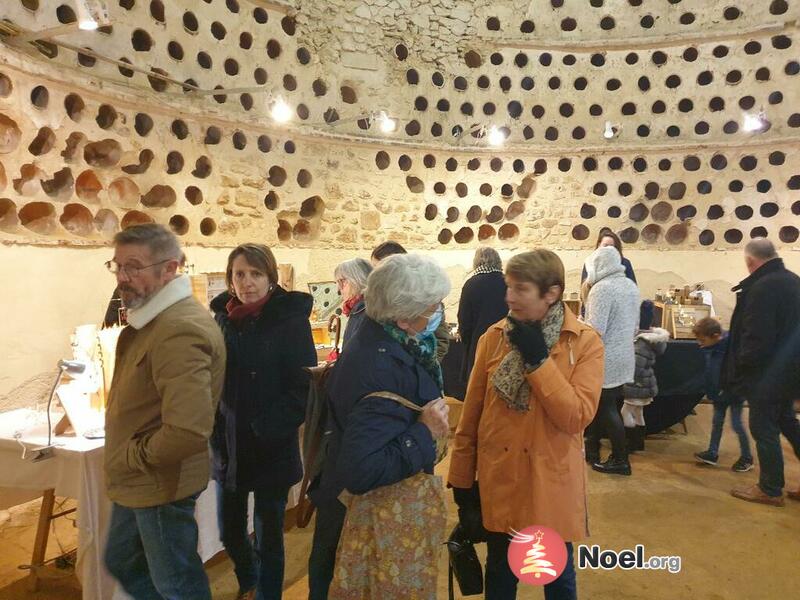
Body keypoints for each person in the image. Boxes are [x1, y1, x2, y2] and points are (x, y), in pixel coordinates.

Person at [448, 249, 603, 600]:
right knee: (500, 575)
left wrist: (537, 361)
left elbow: (576, 415)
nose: (509, 297)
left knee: (557, 577)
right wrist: (461, 480)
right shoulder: (494, 337)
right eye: (508, 287)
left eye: (520, 289)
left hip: (550, 480)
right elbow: (471, 414)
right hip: (501, 477)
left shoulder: (583, 342)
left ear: (551, 293)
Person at [308, 253, 451, 600]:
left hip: (348, 506)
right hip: (367, 516)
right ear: (403, 318)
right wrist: (424, 431)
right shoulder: (382, 366)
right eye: (432, 309)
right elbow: (362, 469)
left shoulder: (378, 338)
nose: (436, 315)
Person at [103, 224, 225, 600]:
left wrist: (130, 456)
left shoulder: (178, 329)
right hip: (140, 479)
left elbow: (188, 430)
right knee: (123, 559)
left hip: (159, 481)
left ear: (170, 269)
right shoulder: (154, 320)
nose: (123, 278)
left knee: (177, 584)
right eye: (118, 266)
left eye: (134, 267)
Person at [210, 243, 316, 600]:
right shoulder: (223, 318)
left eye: (256, 274)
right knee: (230, 531)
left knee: (269, 535)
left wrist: (264, 427)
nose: (247, 282)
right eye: (240, 274)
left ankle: (267, 593)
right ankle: (249, 578)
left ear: (271, 278)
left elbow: (303, 388)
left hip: (270, 444)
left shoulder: (289, 319)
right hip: (229, 444)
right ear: (230, 278)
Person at [723, 239, 800, 506]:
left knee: (763, 427)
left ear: (750, 261)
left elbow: (756, 337)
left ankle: (770, 488)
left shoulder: (762, 287)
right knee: (788, 423)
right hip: (791, 371)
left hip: (767, 375)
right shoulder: (793, 281)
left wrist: (742, 370)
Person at [583, 246, 640, 476]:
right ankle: (594, 451)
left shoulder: (602, 289)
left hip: (605, 356)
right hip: (625, 355)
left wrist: (580, 324)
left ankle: (620, 459)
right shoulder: (630, 286)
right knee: (606, 406)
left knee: (605, 407)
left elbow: (595, 329)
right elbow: (634, 325)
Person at [369, 240, 450, 361]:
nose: (377, 276)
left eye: (383, 270)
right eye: (374, 270)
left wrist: (427, 367)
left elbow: (441, 341)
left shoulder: (427, 302)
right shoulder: (376, 305)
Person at [692, 317, 753, 472]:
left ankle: (747, 457)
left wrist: (734, 388)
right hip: (718, 392)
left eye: (702, 340)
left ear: (715, 336)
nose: (700, 343)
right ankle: (712, 453)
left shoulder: (731, 348)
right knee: (717, 422)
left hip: (733, 392)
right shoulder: (711, 348)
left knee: (737, 424)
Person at [621, 301, 669, 453]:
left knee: (625, 412)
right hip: (646, 383)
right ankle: (639, 442)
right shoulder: (652, 340)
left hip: (637, 384)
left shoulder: (640, 342)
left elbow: (636, 367)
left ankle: (631, 442)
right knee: (638, 412)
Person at [457, 247, 508, 384]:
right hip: (505, 341)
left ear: (476, 262)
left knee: (478, 384)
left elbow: (464, 320)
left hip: (478, 342)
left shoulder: (471, 284)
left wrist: (468, 342)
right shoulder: (508, 283)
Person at [333, 258, 372, 348]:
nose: (338, 288)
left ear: (357, 279)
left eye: (342, 281)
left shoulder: (367, 311)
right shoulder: (358, 308)